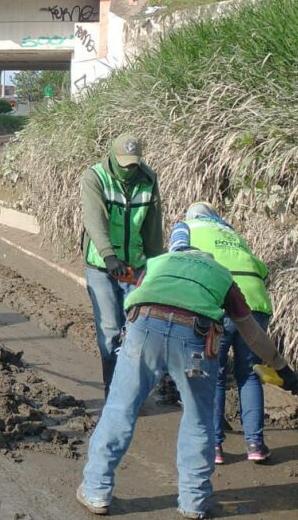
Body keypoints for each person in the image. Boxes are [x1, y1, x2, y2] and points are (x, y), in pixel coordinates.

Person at [77, 243, 297, 519]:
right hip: (195, 338)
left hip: (145, 327)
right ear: (206, 259)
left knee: (119, 410)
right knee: (198, 420)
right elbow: (251, 333)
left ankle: (96, 491)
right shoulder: (221, 275)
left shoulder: (158, 263)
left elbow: (133, 299)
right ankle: (193, 503)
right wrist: (283, 370)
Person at [170, 202, 273, 464]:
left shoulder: (186, 227)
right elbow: (262, 271)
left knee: (214, 375)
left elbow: (177, 256)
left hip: (219, 302)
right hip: (256, 304)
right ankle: (255, 445)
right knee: (250, 374)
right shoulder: (233, 234)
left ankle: (214, 446)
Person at [81, 133, 164, 394]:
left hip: (135, 265)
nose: (130, 169)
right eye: (125, 163)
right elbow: (94, 219)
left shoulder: (148, 180)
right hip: (102, 265)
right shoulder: (95, 177)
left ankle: (130, 386)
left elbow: (153, 228)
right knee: (110, 329)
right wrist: (109, 256)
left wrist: (155, 266)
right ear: (112, 157)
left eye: (133, 163)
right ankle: (112, 389)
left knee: (138, 328)